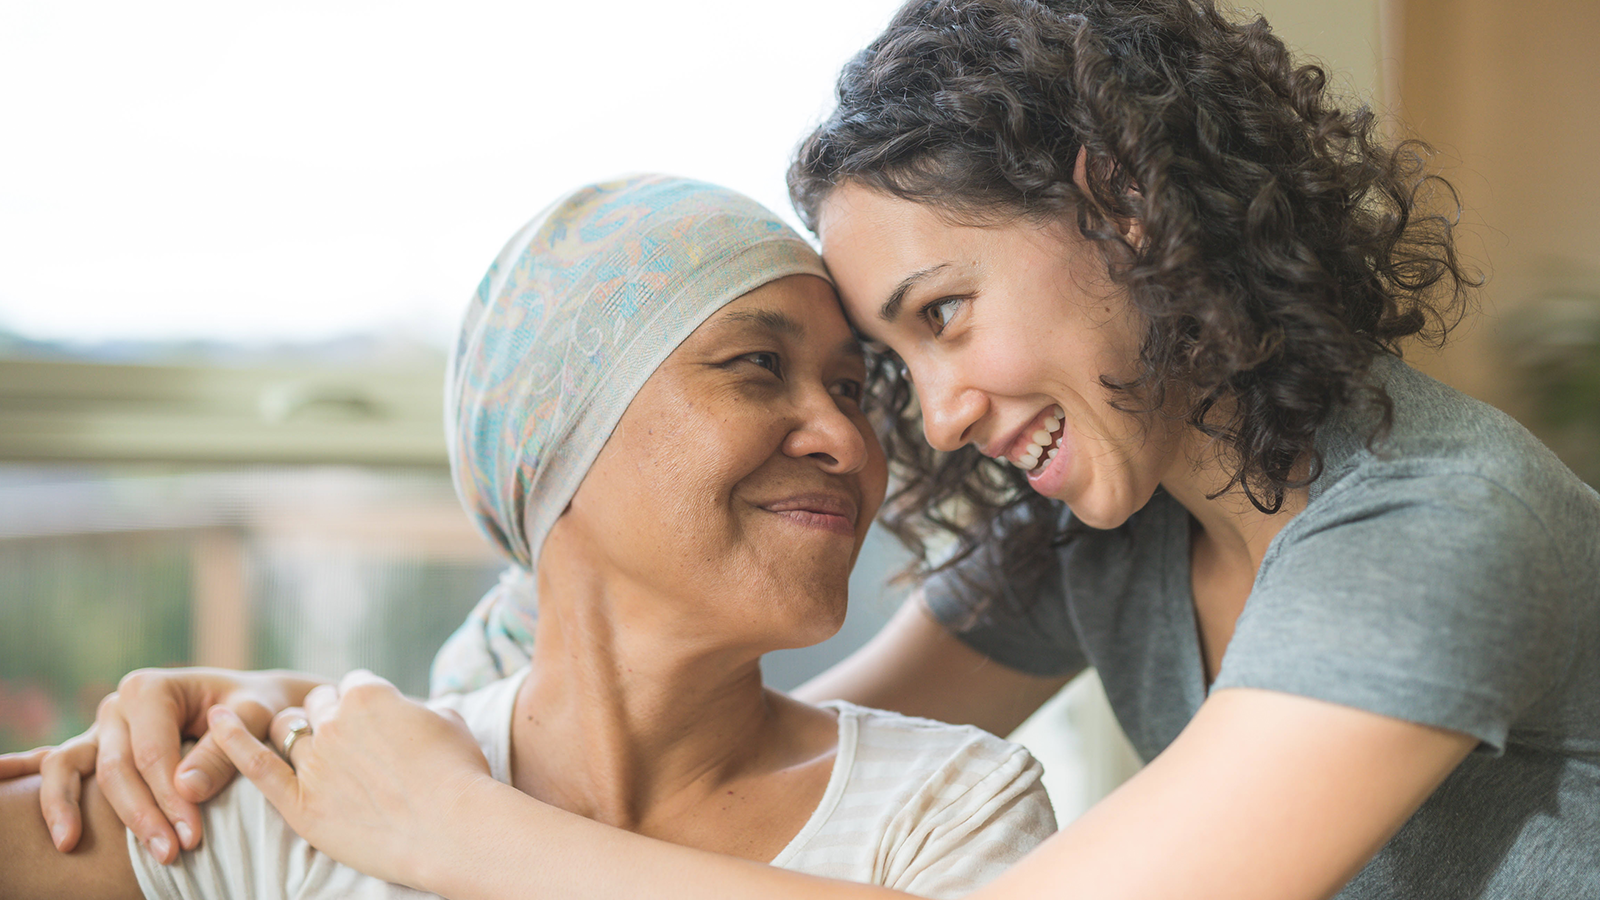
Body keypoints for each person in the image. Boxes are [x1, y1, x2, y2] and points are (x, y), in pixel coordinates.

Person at [9, 0, 1599, 897]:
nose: (932, 412)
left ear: (1123, 204)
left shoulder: (1437, 526)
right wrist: (300, 731)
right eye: (894, 359)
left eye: (945, 312)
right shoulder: (1108, 525)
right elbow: (729, 751)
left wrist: (450, 829)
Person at [0, 174, 1056, 900]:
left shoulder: (948, 809)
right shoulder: (306, 786)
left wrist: (459, 827)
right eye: (755, 366)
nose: (845, 436)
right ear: (560, 439)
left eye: (849, 387)